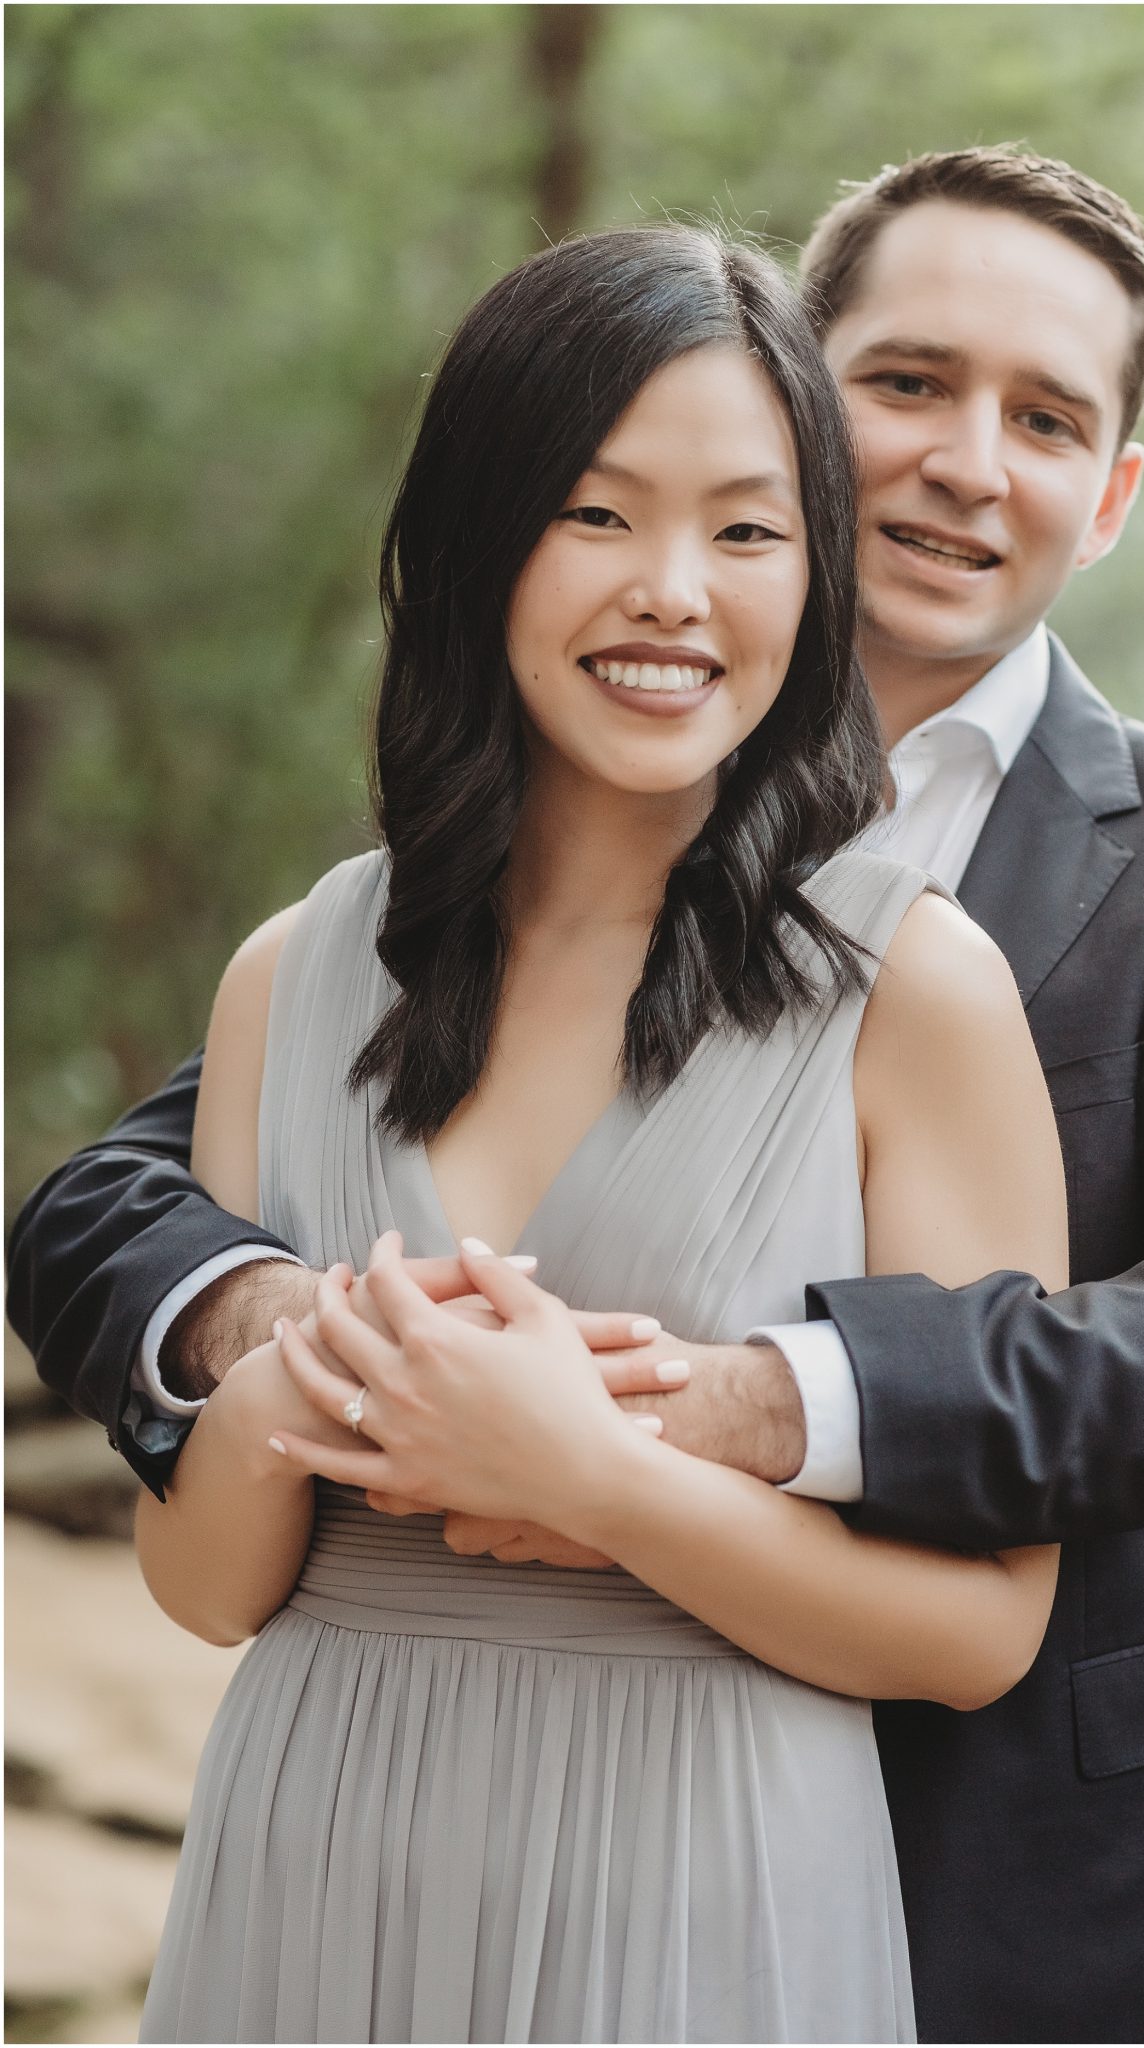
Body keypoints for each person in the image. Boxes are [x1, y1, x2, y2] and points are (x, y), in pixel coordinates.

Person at [8, 147, 1144, 2043]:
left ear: (1110, 491)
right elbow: (123, 1211)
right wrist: (290, 1334)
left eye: (1044, 417)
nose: (968, 459)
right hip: (356, 1850)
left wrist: (695, 1418)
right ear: (803, 392)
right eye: (906, 383)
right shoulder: (374, 933)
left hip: (1012, 1879)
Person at [119, 222, 1070, 2043]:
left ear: (813, 575)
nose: (673, 592)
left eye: (745, 530)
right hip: (315, 1852)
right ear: (476, 538)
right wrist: (279, 1395)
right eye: (595, 514)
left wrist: (598, 1478)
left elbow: (978, 1632)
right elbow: (207, 1586)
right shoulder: (290, 972)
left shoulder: (917, 998)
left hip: (701, 1876)